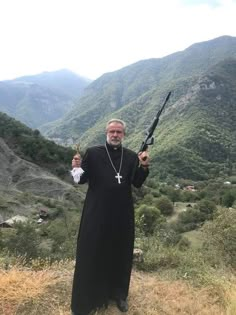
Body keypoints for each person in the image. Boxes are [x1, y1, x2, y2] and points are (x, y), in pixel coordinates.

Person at [71, 119, 150, 315]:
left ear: (124, 135)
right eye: (112, 131)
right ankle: (90, 298)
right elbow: (81, 180)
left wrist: (144, 166)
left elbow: (137, 183)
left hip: (122, 214)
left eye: (119, 132)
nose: (115, 135)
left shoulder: (131, 156)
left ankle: (119, 294)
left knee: (120, 252)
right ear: (106, 133)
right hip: (96, 213)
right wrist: (76, 167)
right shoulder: (93, 153)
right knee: (92, 251)